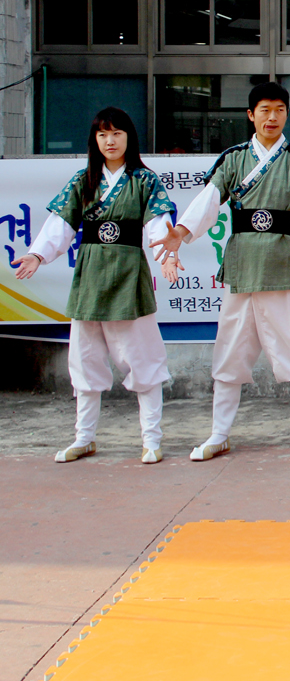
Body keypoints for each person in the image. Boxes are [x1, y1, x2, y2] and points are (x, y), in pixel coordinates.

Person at [152, 81, 290, 462]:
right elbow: (208, 200)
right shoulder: (233, 158)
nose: (272, 117)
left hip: (282, 265)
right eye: (265, 110)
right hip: (241, 266)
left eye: (280, 110)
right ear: (251, 115)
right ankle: (218, 434)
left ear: (287, 114)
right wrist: (181, 232)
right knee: (230, 354)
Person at [14, 108, 177, 464]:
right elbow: (59, 225)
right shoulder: (83, 180)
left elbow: (157, 225)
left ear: (129, 138)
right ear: (95, 141)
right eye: (103, 135)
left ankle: (151, 440)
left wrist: (167, 256)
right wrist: (37, 255)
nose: (110, 141)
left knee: (142, 359)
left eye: (117, 133)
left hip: (128, 275)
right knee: (85, 361)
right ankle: (84, 438)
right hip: (90, 276)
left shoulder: (145, 181)